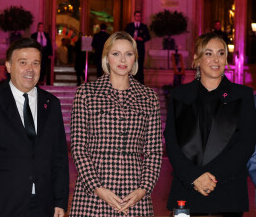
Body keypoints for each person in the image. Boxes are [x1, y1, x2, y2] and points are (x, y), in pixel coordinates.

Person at [0, 38, 69, 217]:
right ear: (8, 66)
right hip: (1, 203)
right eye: (23, 63)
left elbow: (59, 157)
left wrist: (60, 201)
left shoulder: (52, 104)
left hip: (44, 204)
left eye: (35, 63)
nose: (30, 69)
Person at [70, 31, 162, 217]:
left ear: (135, 58)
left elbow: (154, 150)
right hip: (93, 192)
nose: (122, 59)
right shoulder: (87, 94)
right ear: (106, 57)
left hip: (135, 193)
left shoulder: (148, 97)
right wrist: (97, 188)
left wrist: (143, 189)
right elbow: (79, 147)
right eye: (116, 53)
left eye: (128, 54)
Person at [164, 32, 256, 217]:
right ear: (197, 59)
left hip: (228, 193)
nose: (216, 59)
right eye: (208, 53)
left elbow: (246, 143)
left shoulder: (244, 95)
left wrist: (213, 178)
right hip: (187, 190)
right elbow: (172, 142)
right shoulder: (179, 95)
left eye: (221, 53)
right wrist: (193, 177)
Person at [125, 11, 150, 84]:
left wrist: (142, 39)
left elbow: (148, 37)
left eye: (139, 16)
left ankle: (141, 82)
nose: (138, 17)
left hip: (140, 48)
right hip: (131, 48)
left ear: (140, 17)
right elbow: (125, 35)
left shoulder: (143, 26)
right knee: (131, 64)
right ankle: (130, 81)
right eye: (137, 16)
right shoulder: (129, 26)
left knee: (140, 64)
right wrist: (132, 38)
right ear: (134, 16)